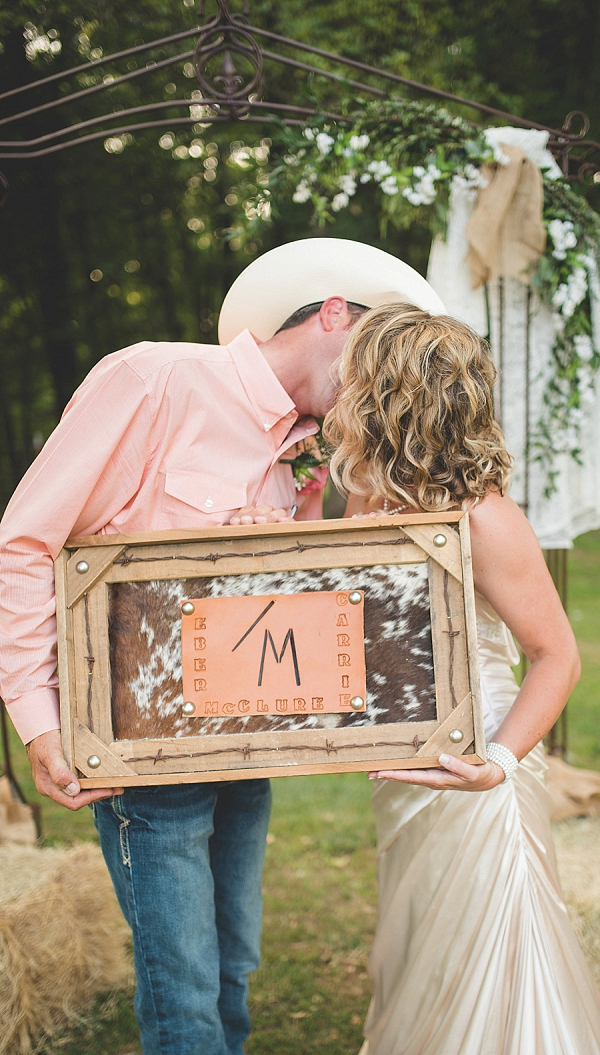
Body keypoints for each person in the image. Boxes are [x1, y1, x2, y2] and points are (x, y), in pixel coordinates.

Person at [0, 238, 444, 1055]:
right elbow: (26, 541)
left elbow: (304, 599)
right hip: (143, 745)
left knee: (234, 957)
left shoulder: (312, 446)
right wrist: (37, 714)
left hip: (249, 744)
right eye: (375, 351)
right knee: (185, 979)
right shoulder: (152, 379)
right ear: (333, 314)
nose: (381, 378)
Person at [323, 302, 600, 1055]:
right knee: (426, 922)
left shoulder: (486, 518)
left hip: (484, 745)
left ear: (391, 397)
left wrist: (498, 763)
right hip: (407, 747)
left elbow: (558, 655)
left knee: (495, 918)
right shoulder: (369, 501)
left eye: (354, 380)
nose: (339, 393)